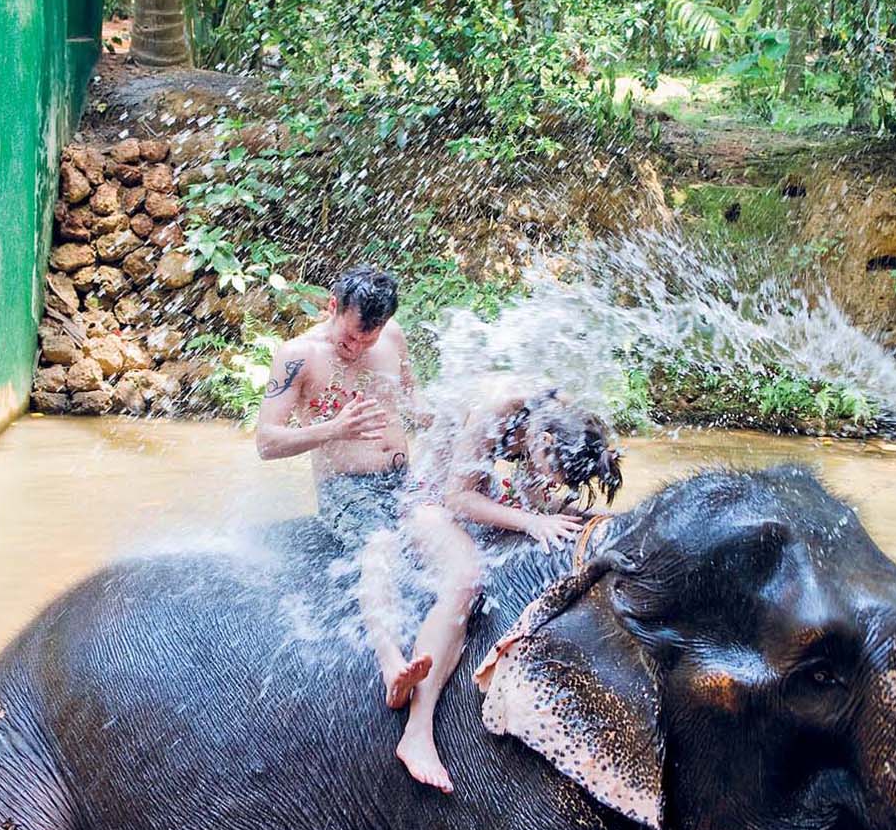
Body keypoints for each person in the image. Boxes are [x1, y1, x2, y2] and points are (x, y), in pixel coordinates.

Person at [360, 384, 623, 794]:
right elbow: (457, 497)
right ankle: (418, 729)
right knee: (466, 579)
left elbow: (536, 491)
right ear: (545, 440)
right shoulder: (496, 407)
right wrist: (533, 522)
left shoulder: (560, 419)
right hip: (434, 501)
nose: (550, 480)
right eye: (552, 471)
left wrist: (571, 510)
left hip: (490, 497)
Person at [255, 266, 425, 689]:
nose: (356, 347)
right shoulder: (298, 355)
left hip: (405, 477)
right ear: (333, 307)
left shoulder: (393, 337)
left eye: (368, 339)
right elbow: (266, 442)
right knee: (380, 544)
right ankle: (391, 665)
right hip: (346, 487)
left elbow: (414, 403)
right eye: (349, 336)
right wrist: (334, 429)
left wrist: (460, 415)